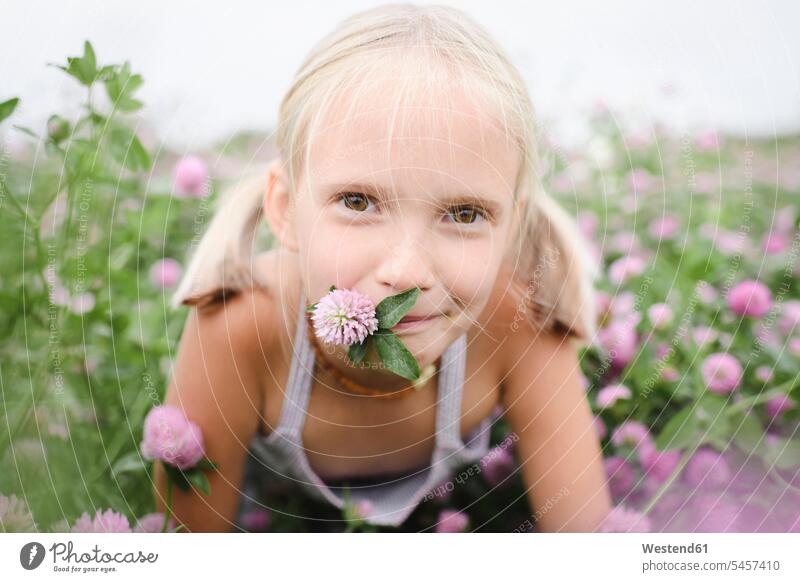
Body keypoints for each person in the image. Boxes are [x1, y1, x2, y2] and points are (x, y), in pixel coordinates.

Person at [156, 2, 612, 532]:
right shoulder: (239, 325)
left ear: (514, 227)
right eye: (357, 202)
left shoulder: (518, 324)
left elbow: (588, 542)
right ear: (285, 210)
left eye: (464, 214)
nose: (407, 270)